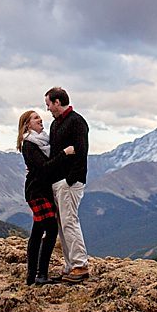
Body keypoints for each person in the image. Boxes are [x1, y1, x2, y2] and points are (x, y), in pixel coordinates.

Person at [17, 109, 75, 286]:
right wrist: (65, 153)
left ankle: (31, 275)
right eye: (35, 118)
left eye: (40, 117)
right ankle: (41, 274)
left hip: (42, 190)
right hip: (38, 192)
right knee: (50, 230)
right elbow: (44, 166)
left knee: (37, 232)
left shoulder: (42, 142)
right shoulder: (29, 144)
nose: (40, 120)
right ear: (27, 124)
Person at [45, 86, 90, 283]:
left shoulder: (77, 122)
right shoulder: (56, 125)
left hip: (69, 182)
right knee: (62, 223)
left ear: (57, 102)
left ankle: (80, 265)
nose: (47, 109)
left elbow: (81, 152)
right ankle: (71, 264)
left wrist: (70, 179)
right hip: (58, 181)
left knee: (70, 221)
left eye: (48, 104)